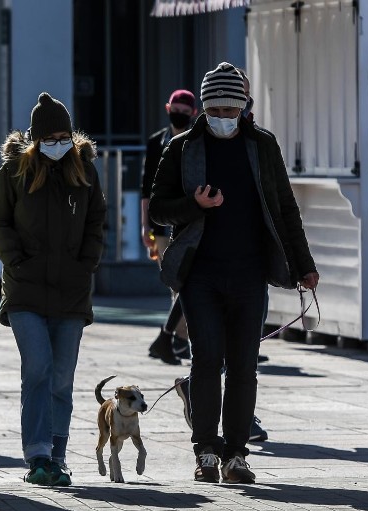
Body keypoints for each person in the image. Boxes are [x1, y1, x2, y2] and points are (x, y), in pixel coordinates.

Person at [149, 62, 318, 484]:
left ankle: (237, 454)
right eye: (216, 110)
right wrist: (195, 206)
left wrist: (304, 265)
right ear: (203, 108)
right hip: (200, 274)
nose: (225, 118)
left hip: (249, 272)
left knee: (244, 364)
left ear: (244, 107)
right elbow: (159, 207)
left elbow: (284, 209)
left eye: (232, 109)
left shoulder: (262, 145)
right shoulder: (183, 147)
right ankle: (205, 449)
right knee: (207, 360)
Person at [0, 92, 106, 487]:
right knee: (37, 368)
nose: (59, 143)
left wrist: (85, 264)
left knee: (61, 377)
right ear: (37, 139)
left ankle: (57, 454)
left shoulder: (85, 172)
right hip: (25, 290)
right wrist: (16, 260)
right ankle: (37, 455)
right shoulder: (14, 173)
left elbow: (96, 221)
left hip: (71, 291)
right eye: (51, 137)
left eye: (64, 135)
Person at [141, 89, 196, 365]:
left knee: (187, 283)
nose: (180, 115)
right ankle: (177, 339)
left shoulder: (195, 140)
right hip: (162, 226)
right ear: (167, 108)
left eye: (186, 112)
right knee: (176, 285)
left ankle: (175, 339)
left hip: (187, 224)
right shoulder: (157, 142)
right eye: (177, 109)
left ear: (194, 114)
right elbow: (146, 188)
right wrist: (144, 227)